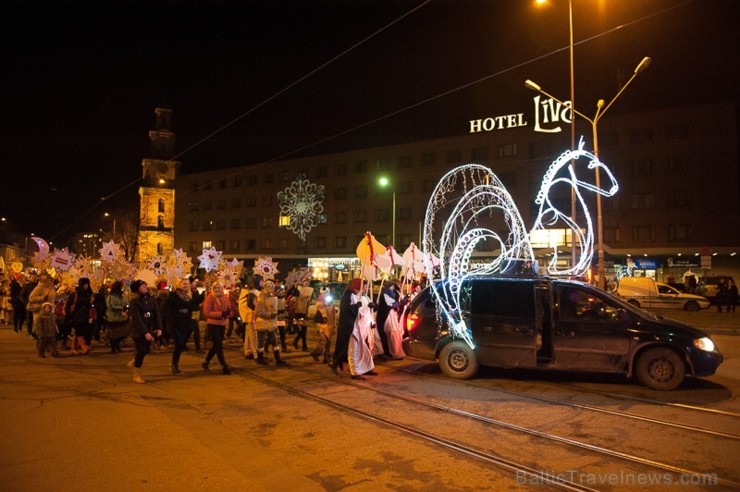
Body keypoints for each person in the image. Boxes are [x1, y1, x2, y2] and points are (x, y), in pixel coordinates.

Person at [127, 280, 162, 383]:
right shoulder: (134, 301)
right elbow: (137, 318)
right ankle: (136, 374)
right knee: (142, 350)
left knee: (146, 350)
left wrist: (159, 327)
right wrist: (145, 332)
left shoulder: (150, 298)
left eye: (145, 285)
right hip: (137, 330)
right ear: (137, 289)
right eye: (142, 286)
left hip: (149, 327)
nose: (145, 287)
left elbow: (156, 313)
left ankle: (133, 362)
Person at [330, 278, 363, 375]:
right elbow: (346, 309)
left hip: (350, 324)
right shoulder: (347, 295)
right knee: (344, 346)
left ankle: (340, 364)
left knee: (347, 346)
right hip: (346, 324)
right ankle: (335, 362)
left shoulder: (352, 294)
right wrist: (356, 306)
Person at [162, 277, 193, 375]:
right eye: (184, 283)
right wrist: (171, 318)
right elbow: (164, 308)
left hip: (185, 324)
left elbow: (191, 309)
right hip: (175, 324)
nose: (186, 285)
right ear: (179, 284)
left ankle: (175, 364)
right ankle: (174, 365)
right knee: (179, 344)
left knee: (181, 345)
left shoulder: (188, 296)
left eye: (187, 284)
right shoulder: (173, 295)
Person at [201, 282, 232, 374]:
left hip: (222, 324)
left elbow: (229, 309)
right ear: (213, 289)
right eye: (216, 288)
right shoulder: (210, 298)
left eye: (219, 288)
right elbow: (206, 312)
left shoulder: (225, 297)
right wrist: (221, 314)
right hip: (212, 324)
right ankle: (224, 365)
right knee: (218, 344)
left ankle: (206, 361)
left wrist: (228, 314)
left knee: (216, 345)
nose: (218, 290)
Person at [254, 279, 286, 366]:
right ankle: (260, 358)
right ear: (265, 287)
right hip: (262, 323)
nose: (272, 288)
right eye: (269, 286)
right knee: (261, 342)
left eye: (272, 286)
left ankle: (278, 358)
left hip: (271, 323)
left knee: (275, 341)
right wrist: (270, 315)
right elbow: (259, 312)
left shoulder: (272, 296)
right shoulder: (261, 298)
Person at [66, 277, 95, 355]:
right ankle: (83, 347)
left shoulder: (89, 293)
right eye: (85, 284)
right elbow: (68, 305)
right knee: (79, 331)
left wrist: (92, 301)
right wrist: (69, 314)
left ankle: (73, 348)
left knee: (80, 331)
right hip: (77, 314)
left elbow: (91, 305)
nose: (86, 286)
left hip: (86, 315)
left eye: (87, 284)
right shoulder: (75, 293)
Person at [310, 289, 335, 364]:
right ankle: (316, 352)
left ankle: (326, 357)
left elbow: (333, 317)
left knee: (328, 342)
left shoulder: (331, 305)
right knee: (324, 341)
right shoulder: (320, 304)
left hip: (330, 326)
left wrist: (334, 326)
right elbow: (318, 309)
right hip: (322, 326)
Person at [375, 280, 399, 358]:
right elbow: (385, 307)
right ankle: (385, 352)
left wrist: (396, 305)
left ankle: (389, 351)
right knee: (383, 335)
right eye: (391, 287)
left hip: (389, 318)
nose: (392, 288)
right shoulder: (383, 296)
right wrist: (392, 306)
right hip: (383, 318)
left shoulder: (390, 295)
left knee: (389, 335)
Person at [105, 281, 129, 353]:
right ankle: (113, 347)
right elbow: (111, 306)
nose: (122, 288)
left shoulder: (121, 296)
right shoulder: (111, 296)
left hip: (121, 317)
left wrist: (126, 306)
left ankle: (117, 346)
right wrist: (121, 308)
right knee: (114, 334)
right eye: (121, 287)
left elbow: (125, 302)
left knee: (123, 332)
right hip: (113, 318)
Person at [238, 277, 260, 360]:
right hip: (251, 315)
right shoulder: (251, 292)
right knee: (253, 334)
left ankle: (247, 351)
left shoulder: (244, 291)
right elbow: (251, 304)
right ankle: (256, 354)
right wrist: (257, 310)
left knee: (248, 334)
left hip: (246, 315)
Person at [291, 278, 314, 351]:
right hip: (298, 313)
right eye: (305, 281)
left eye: (308, 282)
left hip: (304, 313)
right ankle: (302, 345)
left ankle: (297, 342)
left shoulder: (310, 291)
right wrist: (295, 287)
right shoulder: (298, 289)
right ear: (302, 282)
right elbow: (294, 294)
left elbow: (308, 302)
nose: (306, 283)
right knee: (302, 330)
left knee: (304, 330)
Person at [188, 277, 205, 353]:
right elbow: (194, 301)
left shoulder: (197, 291)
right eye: (193, 283)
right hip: (188, 312)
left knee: (195, 329)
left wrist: (202, 292)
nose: (195, 284)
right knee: (191, 329)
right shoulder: (188, 292)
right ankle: (197, 347)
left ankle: (197, 347)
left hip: (195, 312)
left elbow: (200, 300)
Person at [19, 271, 38, 338]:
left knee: (36, 319)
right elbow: (21, 295)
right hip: (29, 305)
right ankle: (30, 333)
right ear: (30, 278)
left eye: (35, 277)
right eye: (32, 277)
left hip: (37, 305)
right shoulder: (26, 286)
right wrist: (26, 303)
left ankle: (36, 332)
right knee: (29, 319)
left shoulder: (38, 286)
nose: (34, 278)